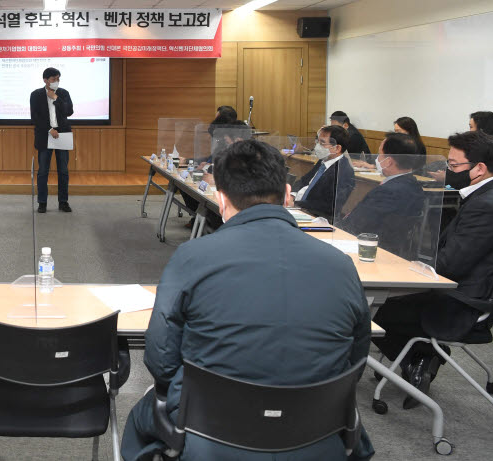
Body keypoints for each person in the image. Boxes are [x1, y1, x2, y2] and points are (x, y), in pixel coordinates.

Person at [120, 140, 372, 461]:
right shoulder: (340, 264)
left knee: (139, 418)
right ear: (286, 192)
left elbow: (161, 356)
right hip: (316, 431)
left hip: (209, 429)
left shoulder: (193, 257)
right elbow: (356, 356)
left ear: (220, 198)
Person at [373, 130, 493, 408]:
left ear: (479, 168)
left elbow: (450, 265)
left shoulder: (489, 205)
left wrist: (406, 266)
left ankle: (417, 358)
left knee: (374, 305)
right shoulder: (487, 195)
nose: (447, 171)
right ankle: (421, 357)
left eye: (454, 165)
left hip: (462, 300)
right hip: (463, 286)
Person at [340, 133, 426, 259]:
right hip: (390, 249)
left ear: (389, 161)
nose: (377, 159)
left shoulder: (388, 192)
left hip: (368, 249)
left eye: (380, 154)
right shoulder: (414, 186)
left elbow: (355, 225)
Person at [30, 67, 74, 213]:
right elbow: (35, 117)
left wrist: (56, 98)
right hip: (45, 135)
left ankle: (63, 202)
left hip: (62, 136)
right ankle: (42, 203)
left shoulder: (63, 93)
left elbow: (69, 111)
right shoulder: (36, 95)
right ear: (45, 80)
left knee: (63, 171)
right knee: (43, 171)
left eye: (58, 79)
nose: (56, 81)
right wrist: (50, 129)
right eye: (53, 79)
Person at [291, 125, 356, 223]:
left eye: (322, 143)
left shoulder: (343, 171)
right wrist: (291, 195)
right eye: (318, 141)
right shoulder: (323, 161)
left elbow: (327, 206)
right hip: (300, 208)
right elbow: (303, 181)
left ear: (337, 148)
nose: (317, 146)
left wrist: (296, 204)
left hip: (317, 217)